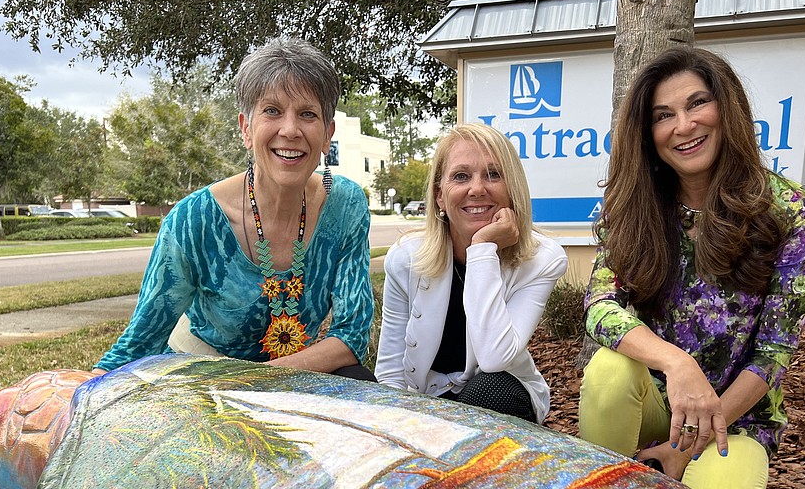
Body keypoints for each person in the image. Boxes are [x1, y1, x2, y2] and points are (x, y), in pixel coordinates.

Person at [579, 47, 805, 489]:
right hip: (652, 401)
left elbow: (773, 353)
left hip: (735, 418)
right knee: (610, 372)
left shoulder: (793, 213)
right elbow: (601, 305)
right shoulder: (631, 211)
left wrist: (683, 449)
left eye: (697, 104)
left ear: (726, 108)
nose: (684, 126)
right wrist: (677, 364)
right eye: (663, 115)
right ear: (648, 135)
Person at [94, 38, 375, 379]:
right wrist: (71, 396)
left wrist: (259, 382)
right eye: (272, 110)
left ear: (327, 133)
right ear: (245, 128)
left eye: (307, 114)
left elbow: (351, 335)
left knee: (359, 379)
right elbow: (139, 345)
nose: (290, 130)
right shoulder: (193, 221)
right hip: (203, 387)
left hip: (291, 384)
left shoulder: (345, 205)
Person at [375, 123, 567, 423]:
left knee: (487, 391)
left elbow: (495, 357)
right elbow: (389, 372)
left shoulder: (542, 259)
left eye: (493, 174)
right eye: (461, 176)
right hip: (427, 402)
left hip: (501, 398)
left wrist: (482, 248)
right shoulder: (405, 260)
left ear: (512, 188)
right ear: (440, 196)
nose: (477, 189)